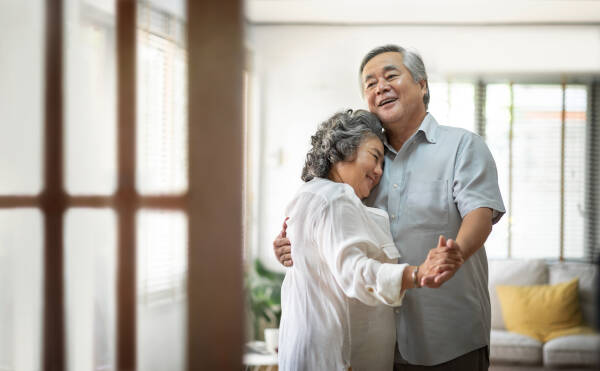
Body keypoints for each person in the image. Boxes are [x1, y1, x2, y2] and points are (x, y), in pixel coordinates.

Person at [274, 45, 506, 370]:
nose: (379, 86)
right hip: (379, 344)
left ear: (422, 85)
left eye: (390, 75)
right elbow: (335, 231)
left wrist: (457, 251)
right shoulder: (359, 164)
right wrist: (295, 244)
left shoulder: (462, 146)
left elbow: (480, 214)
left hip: (449, 337)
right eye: (369, 83)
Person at [277, 109, 463, 371]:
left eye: (382, 165)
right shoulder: (335, 197)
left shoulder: (316, 194)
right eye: (374, 157)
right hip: (340, 358)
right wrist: (417, 274)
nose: (378, 172)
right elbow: (353, 270)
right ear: (343, 149)